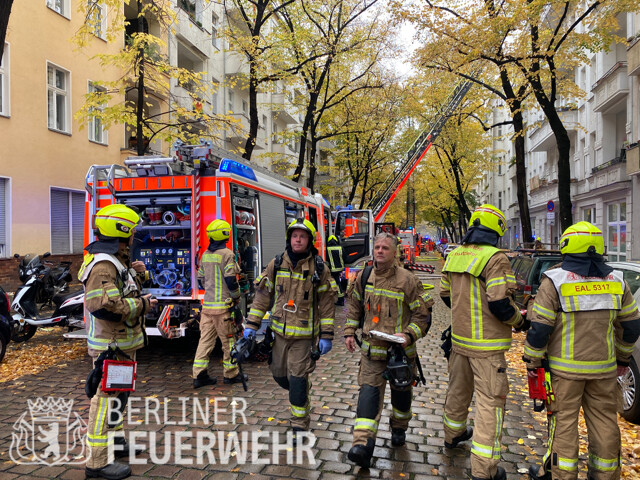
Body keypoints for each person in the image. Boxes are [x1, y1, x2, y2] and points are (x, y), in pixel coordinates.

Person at [523, 222, 640, 480]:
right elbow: (631, 326)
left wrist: (532, 361)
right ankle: (605, 476)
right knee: (605, 424)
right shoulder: (617, 281)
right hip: (604, 371)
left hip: (564, 373)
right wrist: (621, 358)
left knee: (564, 424)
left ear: (566, 247)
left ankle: (563, 476)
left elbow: (539, 330)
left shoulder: (554, 280)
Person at [440, 204, 528, 480]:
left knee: (458, 391)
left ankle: (453, 435)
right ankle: (484, 469)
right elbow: (501, 304)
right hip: (487, 347)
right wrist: (520, 322)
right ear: (497, 230)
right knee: (491, 403)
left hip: (459, 341)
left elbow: (445, 294)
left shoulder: (455, 254)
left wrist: (464, 312)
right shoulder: (496, 258)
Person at [78, 204, 157, 480]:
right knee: (105, 400)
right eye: (132, 232)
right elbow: (103, 307)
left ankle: (116, 442)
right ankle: (97, 463)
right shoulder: (103, 265)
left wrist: (139, 273)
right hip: (111, 346)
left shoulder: (116, 260)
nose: (134, 237)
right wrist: (142, 305)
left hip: (123, 344)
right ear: (121, 232)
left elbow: (123, 290)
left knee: (120, 395)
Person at [344, 232, 433, 469]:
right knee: (368, 398)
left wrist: (409, 335)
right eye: (377, 247)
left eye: (385, 248)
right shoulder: (363, 276)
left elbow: (423, 315)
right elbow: (353, 306)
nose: (380, 250)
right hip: (372, 353)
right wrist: (349, 332)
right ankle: (362, 446)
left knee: (401, 399)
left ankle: (398, 428)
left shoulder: (408, 280)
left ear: (395, 253)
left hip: (400, 356)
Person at [243, 218, 337, 440]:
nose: (298, 239)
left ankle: (299, 424)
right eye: (294, 235)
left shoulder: (319, 268)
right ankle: (302, 389)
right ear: (289, 238)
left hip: (304, 337)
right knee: (279, 376)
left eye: (302, 236)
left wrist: (327, 335)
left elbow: (326, 304)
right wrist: (251, 326)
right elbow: (262, 298)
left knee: (296, 379)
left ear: (309, 240)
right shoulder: (276, 264)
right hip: (279, 334)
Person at [192, 219, 246, 388]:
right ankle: (231, 375)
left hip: (207, 308)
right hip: (224, 309)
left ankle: (199, 376)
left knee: (205, 341)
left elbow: (201, 279)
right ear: (226, 234)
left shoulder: (206, 255)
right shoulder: (228, 254)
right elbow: (231, 280)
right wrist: (236, 296)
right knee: (228, 342)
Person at [326, 235, 346, 306]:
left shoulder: (327, 249)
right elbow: (345, 257)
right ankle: (340, 299)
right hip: (339, 268)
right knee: (337, 283)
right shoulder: (340, 248)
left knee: (336, 284)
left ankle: (340, 300)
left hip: (332, 269)